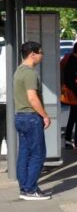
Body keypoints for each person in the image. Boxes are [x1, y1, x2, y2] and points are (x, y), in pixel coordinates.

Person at [13, 41, 51, 200]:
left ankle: (24, 187)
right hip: (31, 117)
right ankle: (30, 189)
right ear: (32, 54)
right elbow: (32, 98)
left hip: (20, 116)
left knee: (24, 153)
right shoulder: (29, 73)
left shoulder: (18, 71)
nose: (43, 56)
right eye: (41, 52)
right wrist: (45, 115)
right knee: (38, 154)